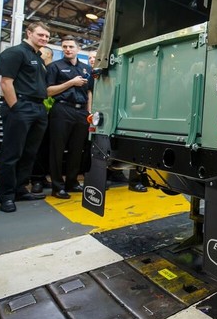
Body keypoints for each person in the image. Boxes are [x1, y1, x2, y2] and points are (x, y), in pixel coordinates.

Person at [0, 21, 50, 212]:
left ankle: (19, 189)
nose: (44, 38)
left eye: (47, 36)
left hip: (38, 108)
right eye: (40, 35)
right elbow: (5, 83)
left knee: (29, 153)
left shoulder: (39, 58)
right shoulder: (15, 52)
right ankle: (6, 195)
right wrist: (16, 108)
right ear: (29, 33)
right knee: (12, 153)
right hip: (21, 106)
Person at [85, 50, 146, 192]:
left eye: (141, 66)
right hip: (110, 113)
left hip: (132, 116)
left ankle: (134, 181)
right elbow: (96, 93)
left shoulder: (140, 81)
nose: (138, 68)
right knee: (105, 146)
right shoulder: (112, 75)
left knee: (135, 147)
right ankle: (103, 179)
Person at [46, 36, 93, 199]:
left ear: (78, 49)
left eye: (71, 46)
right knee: (57, 149)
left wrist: (89, 112)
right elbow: (48, 91)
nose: (67, 49)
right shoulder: (54, 67)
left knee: (77, 149)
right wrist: (70, 83)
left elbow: (89, 92)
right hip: (62, 109)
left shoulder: (87, 69)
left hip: (81, 113)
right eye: (64, 46)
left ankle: (72, 182)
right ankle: (57, 186)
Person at [30, 46, 55, 194]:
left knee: (46, 148)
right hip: (40, 112)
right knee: (36, 148)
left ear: (49, 55)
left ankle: (42, 177)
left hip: (53, 114)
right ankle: (36, 179)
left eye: (42, 53)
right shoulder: (38, 70)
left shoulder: (52, 69)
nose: (39, 54)